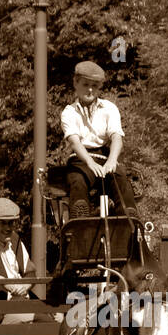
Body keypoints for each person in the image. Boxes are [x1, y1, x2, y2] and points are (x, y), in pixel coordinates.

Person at [61, 61, 138, 218]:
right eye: (85, 84)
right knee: (77, 180)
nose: (90, 90)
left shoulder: (109, 108)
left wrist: (111, 161)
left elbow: (117, 137)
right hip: (80, 159)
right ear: (75, 83)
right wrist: (90, 162)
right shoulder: (69, 112)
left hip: (105, 156)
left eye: (94, 86)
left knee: (120, 177)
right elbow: (75, 142)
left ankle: (128, 214)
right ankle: (79, 217)